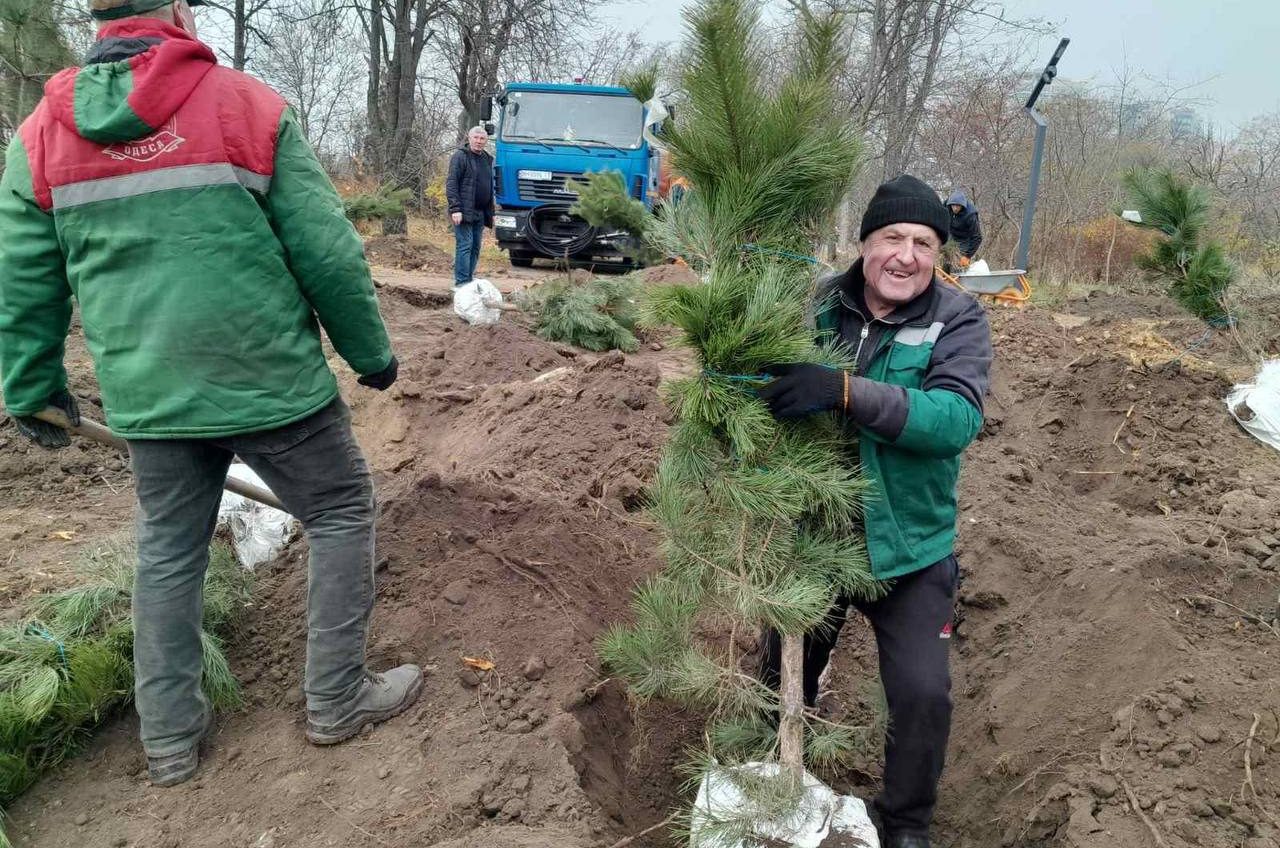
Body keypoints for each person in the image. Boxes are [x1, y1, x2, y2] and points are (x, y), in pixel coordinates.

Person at [0, 0, 420, 787]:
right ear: (180, 13)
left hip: (148, 391)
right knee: (338, 509)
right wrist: (370, 355)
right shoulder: (244, 105)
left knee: (167, 550)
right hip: (269, 381)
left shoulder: (39, 138)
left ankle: (170, 743)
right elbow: (325, 250)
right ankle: (335, 700)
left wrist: (30, 388)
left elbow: (23, 284)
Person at [756, 175, 993, 848]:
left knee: (923, 694)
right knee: (778, 666)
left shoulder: (957, 319)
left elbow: (953, 419)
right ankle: (771, 781)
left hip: (910, 546)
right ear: (864, 244)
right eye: (892, 237)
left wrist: (843, 392)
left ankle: (906, 823)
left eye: (923, 243)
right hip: (821, 537)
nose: (907, 255)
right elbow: (757, 387)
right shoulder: (820, 308)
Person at [445, 126, 495, 286]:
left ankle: (469, 280)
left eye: (482, 139)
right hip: (463, 211)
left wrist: (491, 212)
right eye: (476, 138)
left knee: (475, 247)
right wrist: (455, 209)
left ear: (486, 141)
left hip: (480, 212)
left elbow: (489, 186)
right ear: (469, 138)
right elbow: (452, 183)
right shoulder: (460, 156)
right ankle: (461, 283)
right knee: (465, 245)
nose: (479, 142)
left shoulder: (487, 159)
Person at [945, 189, 983, 266]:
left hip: (965, 239)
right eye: (953, 205)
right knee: (946, 258)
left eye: (958, 206)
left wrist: (967, 256)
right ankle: (944, 275)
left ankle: (959, 275)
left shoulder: (970, 215)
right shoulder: (946, 205)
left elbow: (977, 237)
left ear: (962, 205)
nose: (955, 208)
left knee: (959, 264)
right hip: (951, 234)